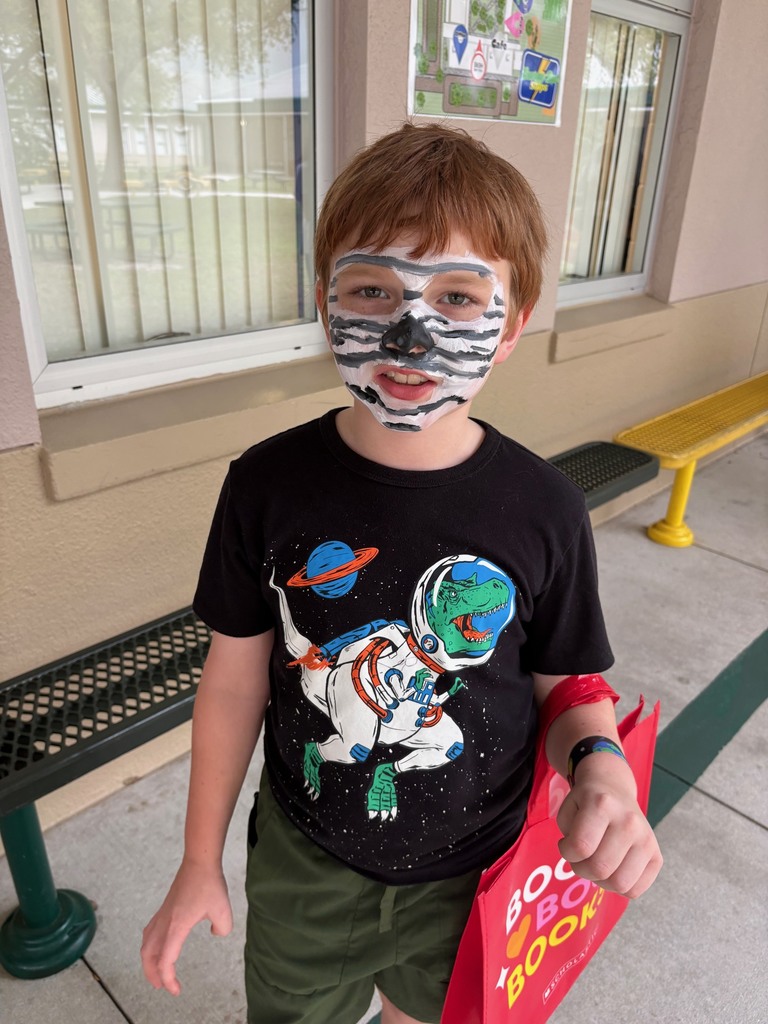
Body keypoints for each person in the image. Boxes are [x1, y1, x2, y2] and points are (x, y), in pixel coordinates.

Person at [141, 122, 662, 1024]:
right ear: (325, 306)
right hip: (306, 864)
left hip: (475, 872)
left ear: (513, 326)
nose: (410, 335)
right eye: (372, 290)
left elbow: (567, 681)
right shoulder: (265, 485)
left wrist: (600, 761)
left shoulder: (545, 507)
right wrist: (198, 858)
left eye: (459, 296)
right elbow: (232, 683)